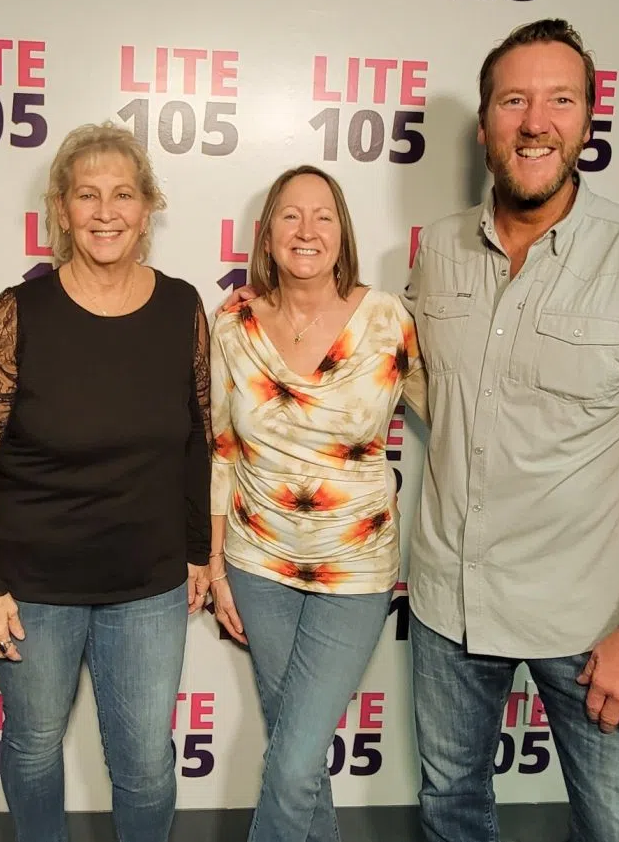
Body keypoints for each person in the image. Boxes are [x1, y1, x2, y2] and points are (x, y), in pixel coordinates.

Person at [404, 19, 619, 841]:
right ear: (485, 124)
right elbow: (420, 377)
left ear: (588, 117)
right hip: (448, 608)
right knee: (450, 812)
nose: (535, 121)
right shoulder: (438, 249)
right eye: (513, 101)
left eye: (559, 100)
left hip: (599, 623)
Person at [0, 121, 211, 842]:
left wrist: (200, 552)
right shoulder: (18, 312)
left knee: (146, 764)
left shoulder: (182, 306)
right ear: (61, 210)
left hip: (149, 584)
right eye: (87, 194)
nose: (105, 212)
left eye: (123, 194)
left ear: (147, 208)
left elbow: (198, 436)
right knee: (34, 746)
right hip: (32, 587)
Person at [208, 165, 426, 842]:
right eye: (290, 215)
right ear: (267, 234)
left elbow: (455, 417)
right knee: (296, 754)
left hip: (355, 567)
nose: (307, 230)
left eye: (322, 215)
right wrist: (215, 568)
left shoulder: (387, 319)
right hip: (256, 562)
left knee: (295, 758)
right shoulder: (234, 322)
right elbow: (221, 450)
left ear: (342, 232)